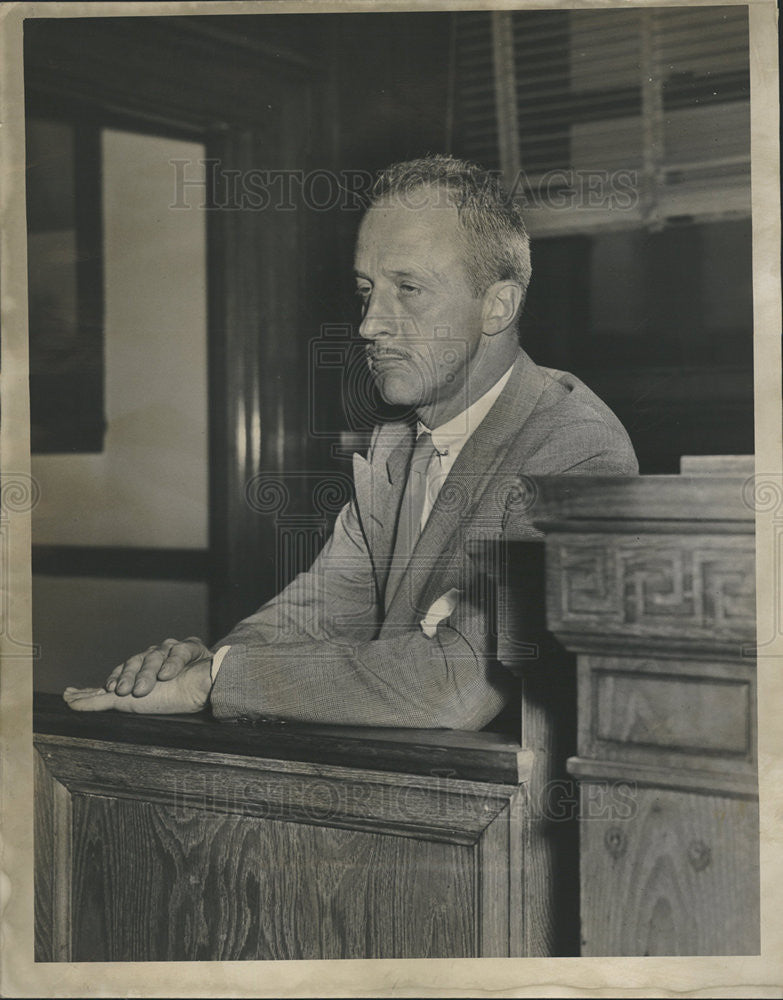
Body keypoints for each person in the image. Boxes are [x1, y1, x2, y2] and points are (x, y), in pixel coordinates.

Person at [64, 155, 638, 729]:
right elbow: (320, 610)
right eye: (365, 291)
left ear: (498, 305)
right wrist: (208, 664)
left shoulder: (574, 448)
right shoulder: (397, 441)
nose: (369, 324)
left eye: (408, 288)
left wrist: (218, 682)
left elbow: (458, 687)